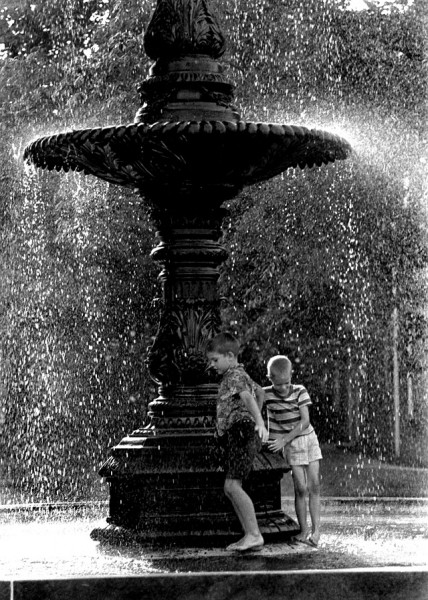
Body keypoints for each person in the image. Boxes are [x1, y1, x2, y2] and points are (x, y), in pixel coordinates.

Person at [206, 332, 269, 552]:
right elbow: (261, 392)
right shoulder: (242, 374)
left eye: (215, 360)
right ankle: (250, 534)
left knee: (232, 485)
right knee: (231, 487)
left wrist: (257, 422)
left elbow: (248, 397)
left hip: (241, 433)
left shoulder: (233, 376)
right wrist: (255, 420)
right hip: (243, 432)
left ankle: (253, 534)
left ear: (230, 356)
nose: (212, 365)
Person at [265, 355, 322, 547]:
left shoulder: (299, 391)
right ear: (270, 378)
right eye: (278, 384)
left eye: (286, 383)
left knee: (314, 486)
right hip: (292, 446)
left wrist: (283, 439)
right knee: (300, 489)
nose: (283, 388)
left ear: (291, 376)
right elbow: (253, 397)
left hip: (308, 439)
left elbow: (304, 421)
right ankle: (303, 530)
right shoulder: (266, 394)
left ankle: (316, 531)